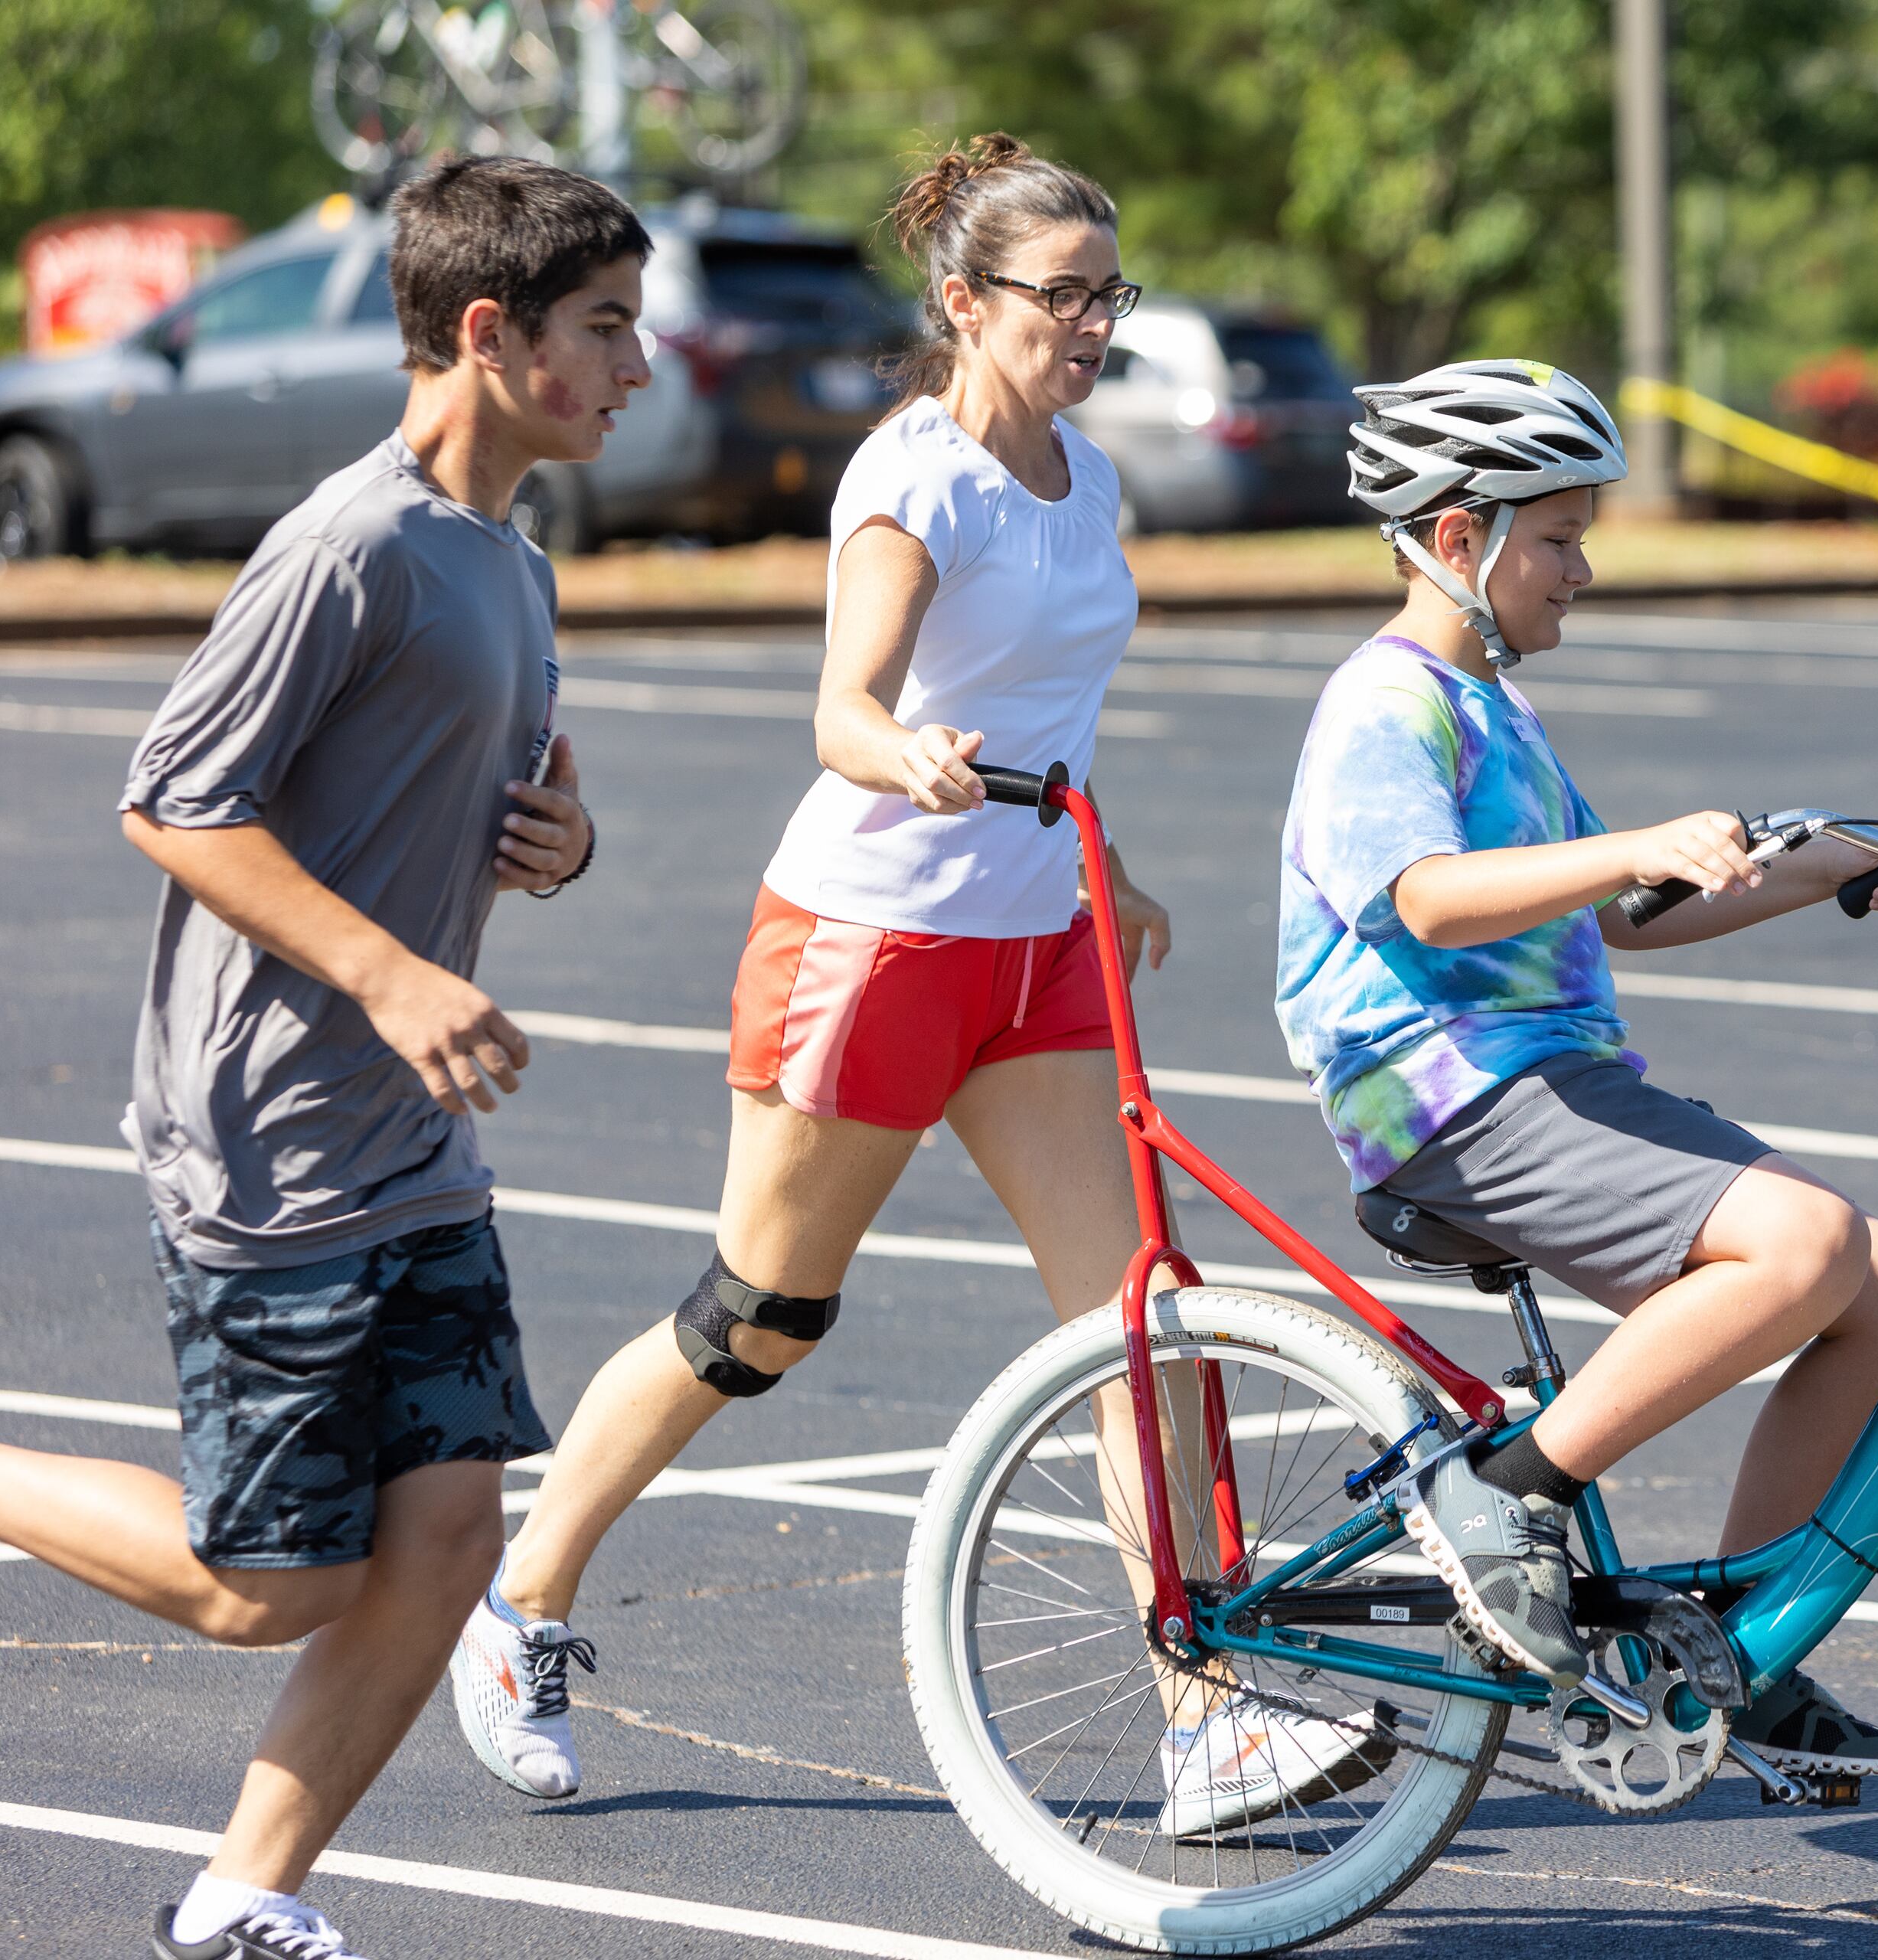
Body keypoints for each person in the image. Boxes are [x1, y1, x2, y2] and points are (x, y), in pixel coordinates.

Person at [447, 134, 1390, 1841]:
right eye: (1062, 294)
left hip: (1037, 946)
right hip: (870, 938)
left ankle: (1205, 1714)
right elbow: (841, 710)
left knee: (1139, 1334)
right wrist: (913, 755)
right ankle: (521, 1605)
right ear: (966, 303)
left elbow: (1056, 703)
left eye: (1113, 291)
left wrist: (1114, 864)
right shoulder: (913, 476)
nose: (1095, 322)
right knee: (760, 1319)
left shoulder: (1086, 479)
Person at [0, 155, 630, 1958]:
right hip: (271, 1133)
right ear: (486, 334)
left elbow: (493, 795)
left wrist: (562, 842)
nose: (641, 365)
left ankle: (241, 1898)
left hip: (415, 1141)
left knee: (446, 1542)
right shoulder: (347, 544)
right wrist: (389, 972)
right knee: (268, 1584)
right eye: (605, 329)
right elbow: (172, 801)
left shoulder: (513, 563)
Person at [1275, 360, 1878, 1778]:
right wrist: (1634, 842)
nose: (1585, 566)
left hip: (1551, 1075)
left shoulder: (1495, 708)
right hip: (1450, 1092)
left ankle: (1745, 1649)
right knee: (1806, 1240)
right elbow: (1427, 899)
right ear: (1459, 537)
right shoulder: (1386, 705)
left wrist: (1845, 863)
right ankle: (1508, 1496)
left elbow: (1638, 918)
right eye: (1561, 536)